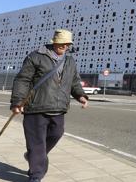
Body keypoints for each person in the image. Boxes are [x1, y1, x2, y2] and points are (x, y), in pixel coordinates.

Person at [10, 29, 88, 182]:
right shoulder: (36, 56)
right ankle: (36, 175)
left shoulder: (69, 61)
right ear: (54, 42)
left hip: (58, 108)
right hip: (35, 107)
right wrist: (17, 101)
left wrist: (80, 95)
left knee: (56, 134)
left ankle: (32, 155)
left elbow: (74, 82)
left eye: (67, 44)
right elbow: (23, 80)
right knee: (36, 141)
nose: (64, 46)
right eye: (61, 43)